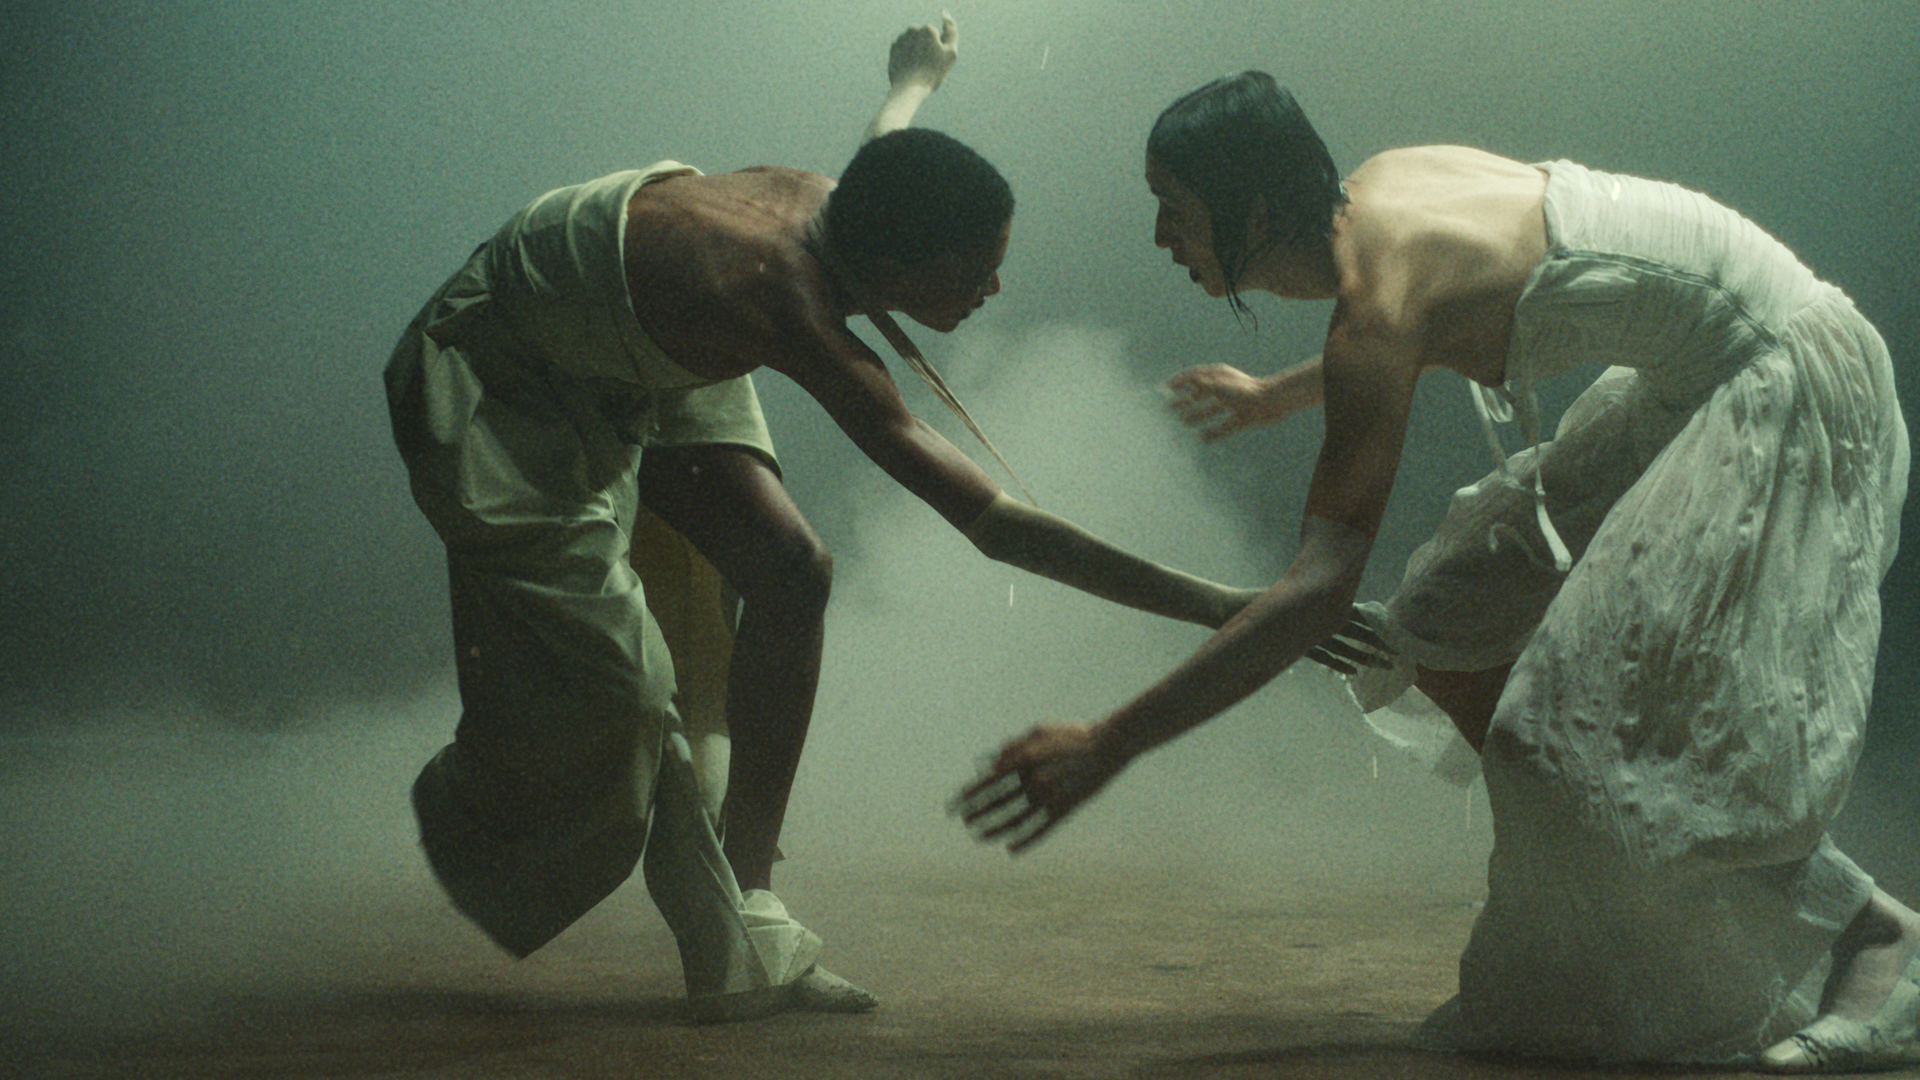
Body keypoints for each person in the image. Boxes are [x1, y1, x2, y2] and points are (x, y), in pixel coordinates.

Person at [959, 71, 1916, 1070]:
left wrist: (1111, 741)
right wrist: (1280, 395)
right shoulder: (1375, 194)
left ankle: (1879, 936)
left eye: (1176, 207)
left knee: (1563, 741)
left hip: (1781, 380)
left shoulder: (1379, 301)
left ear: (1258, 210)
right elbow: (1435, 315)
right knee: (1444, 623)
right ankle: (1600, 898)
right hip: (1693, 378)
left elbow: (1319, 587)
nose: (1162, 236)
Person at [384, 18, 1258, 1021]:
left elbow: (889, 143)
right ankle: (532, 849)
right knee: (620, 696)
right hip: (512, 370)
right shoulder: (785, 303)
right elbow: (995, 526)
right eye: (973, 269)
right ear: (893, 267)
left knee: (792, 571)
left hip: (645, 330)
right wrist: (1218, 606)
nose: (993, 287)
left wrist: (915, 76)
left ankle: (751, 900)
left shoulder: (857, 207)